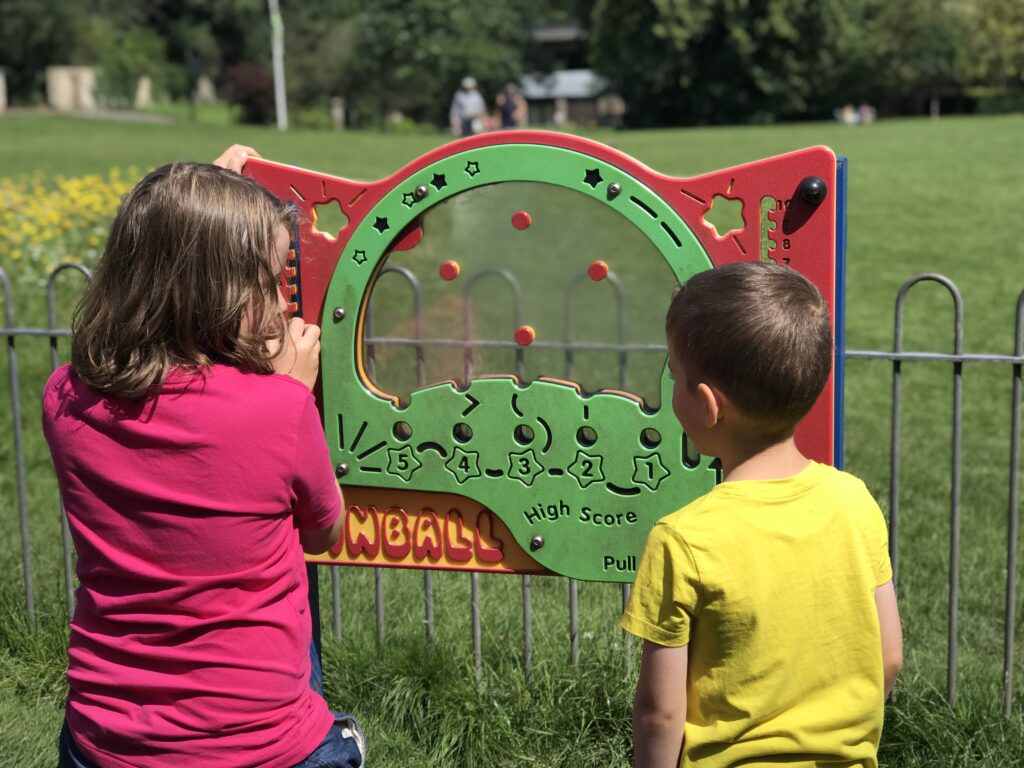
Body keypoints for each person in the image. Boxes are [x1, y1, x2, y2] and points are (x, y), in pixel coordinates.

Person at [44, 145, 365, 768]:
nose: (283, 300)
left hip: (104, 741)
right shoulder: (279, 410)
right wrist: (289, 391)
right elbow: (326, 532)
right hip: (261, 746)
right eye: (271, 279)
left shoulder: (64, 397)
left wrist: (200, 203)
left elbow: (159, 293)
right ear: (213, 289)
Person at [622, 262, 902, 768]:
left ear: (708, 406)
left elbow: (660, 714)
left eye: (675, 374)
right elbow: (888, 657)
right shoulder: (854, 500)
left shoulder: (683, 540)